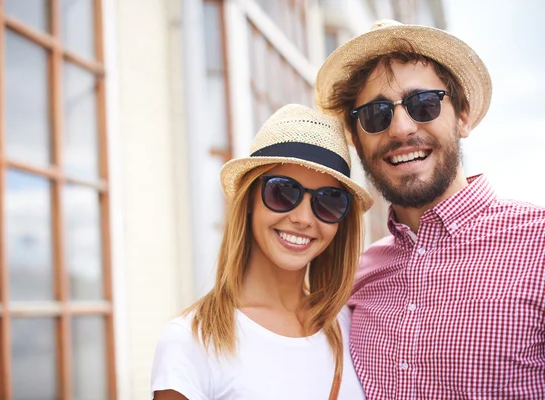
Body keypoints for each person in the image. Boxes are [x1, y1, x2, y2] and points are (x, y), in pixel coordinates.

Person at [315, 19, 545, 399]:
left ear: (463, 116)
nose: (402, 128)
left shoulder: (537, 245)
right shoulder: (357, 280)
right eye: (375, 114)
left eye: (423, 104)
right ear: (357, 140)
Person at [150, 104, 373, 400]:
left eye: (329, 201)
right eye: (283, 192)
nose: (304, 218)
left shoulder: (349, 326)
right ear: (250, 200)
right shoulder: (192, 340)